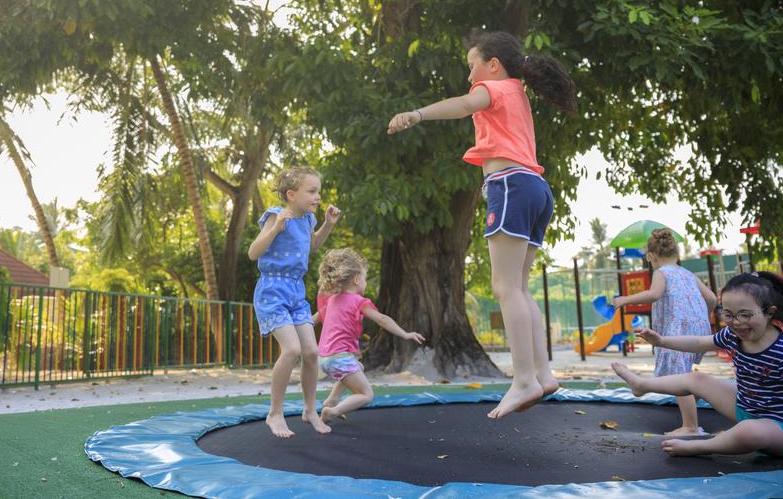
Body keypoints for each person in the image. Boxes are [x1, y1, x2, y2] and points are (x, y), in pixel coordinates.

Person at [387, 30, 577, 418]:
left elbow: (463, 104)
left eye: (472, 66)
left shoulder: (495, 88)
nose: (470, 75)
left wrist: (417, 114)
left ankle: (523, 380)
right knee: (519, 288)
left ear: (493, 64)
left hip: (511, 185)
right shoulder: (518, 93)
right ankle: (542, 374)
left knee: (505, 287)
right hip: (536, 188)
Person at [612, 271, 783, 457]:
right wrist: (661, 341)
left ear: (769, 313)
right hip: (746, 408)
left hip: (781, 428)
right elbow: (699, 342)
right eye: (728, 314)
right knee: (697, 378)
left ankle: (700, 447)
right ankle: (641, 385)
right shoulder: (732, 335)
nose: (736, 322)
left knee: (747, 431)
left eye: (745, 315)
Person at [247, 166, 342, 438]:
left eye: (318, 191)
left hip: (296, 292)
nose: (317, 197)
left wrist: (328, 225)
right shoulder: (276, 216)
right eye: (311, 191)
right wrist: (275, 229)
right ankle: (275, 413)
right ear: (291, 194)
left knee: (311, 352)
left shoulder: (308, 220)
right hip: (272, 290)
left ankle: (309, 410)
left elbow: (312, 247)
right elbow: (253, 252)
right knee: (291, 350)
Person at [611, 228, 717, 436]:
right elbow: (712, 298)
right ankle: (694, 397)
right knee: (684, 371)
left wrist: (625, 299)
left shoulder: (661, 273)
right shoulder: (688, 274)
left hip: (678, 330)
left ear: (651, 256)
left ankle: (690, 426)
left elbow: (654, 294)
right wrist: (703, 317)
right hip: (700, 330)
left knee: (679, 374)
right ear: (677, 254)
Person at [313, 248, 425, 423]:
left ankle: (331, 400)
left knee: (358, 366)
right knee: (366, 395)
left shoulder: (332, 300)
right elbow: (382, 319)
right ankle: (332, 412)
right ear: (356, 280)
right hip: (340, 359)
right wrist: (405, 334)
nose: (365, 282)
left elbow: (314, 319)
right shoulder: (358, 301)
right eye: (364, 278)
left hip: (324, 359)